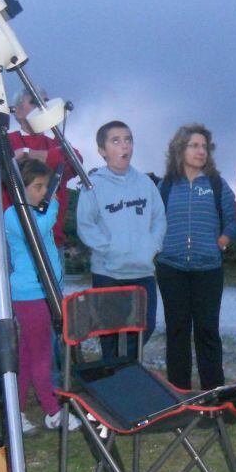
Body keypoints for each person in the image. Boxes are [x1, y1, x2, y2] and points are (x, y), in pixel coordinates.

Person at [0, 89, 81, 405]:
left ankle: (48, 385)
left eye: (46, 103)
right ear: (18, 110)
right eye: (34, 102)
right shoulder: (4, 138)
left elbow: (74, 160)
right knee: (1, 315)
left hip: (49, 243)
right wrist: (30, 159)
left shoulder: (55, 144)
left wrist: (36, 158)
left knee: (48, 321)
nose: (41, 107)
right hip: (9, 248)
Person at [156, 124, 236, 390]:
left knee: (207, 331)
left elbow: (235, 219)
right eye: (194, 145)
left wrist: (224, 240)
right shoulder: (166, 186)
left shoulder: (216, 184)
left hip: (208, 269)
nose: (201, 151)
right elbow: (153, 221)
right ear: (180, 150)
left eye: (204, 146)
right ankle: (179, 393)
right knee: (177, 331)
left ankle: (214, 392)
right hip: (171, 268)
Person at [5, 158, 81, 435]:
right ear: (20, 188)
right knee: (41, 355)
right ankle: (52, 411)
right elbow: (39, 228)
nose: (42, 193)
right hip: (30, 294)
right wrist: (56, 200)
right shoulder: (14, 215)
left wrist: (52, 198)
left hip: (45, 291)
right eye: (38, 187)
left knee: (27, 355)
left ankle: (17, 409)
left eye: (46, 187)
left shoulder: (37, 210)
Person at [76, 120, 166, 350]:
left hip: (142, 271)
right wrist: (109, 248)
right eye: (115, 141)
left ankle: (130, 373)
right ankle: (110, 377)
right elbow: (86, 225)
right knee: (110, 335)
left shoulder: (146, 183)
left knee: (145, 328)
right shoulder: (93, 185)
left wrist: (151, 247)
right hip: (108, 273)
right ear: (102, 151)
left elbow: (159, 219)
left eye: (128, 140)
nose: (124, 146)